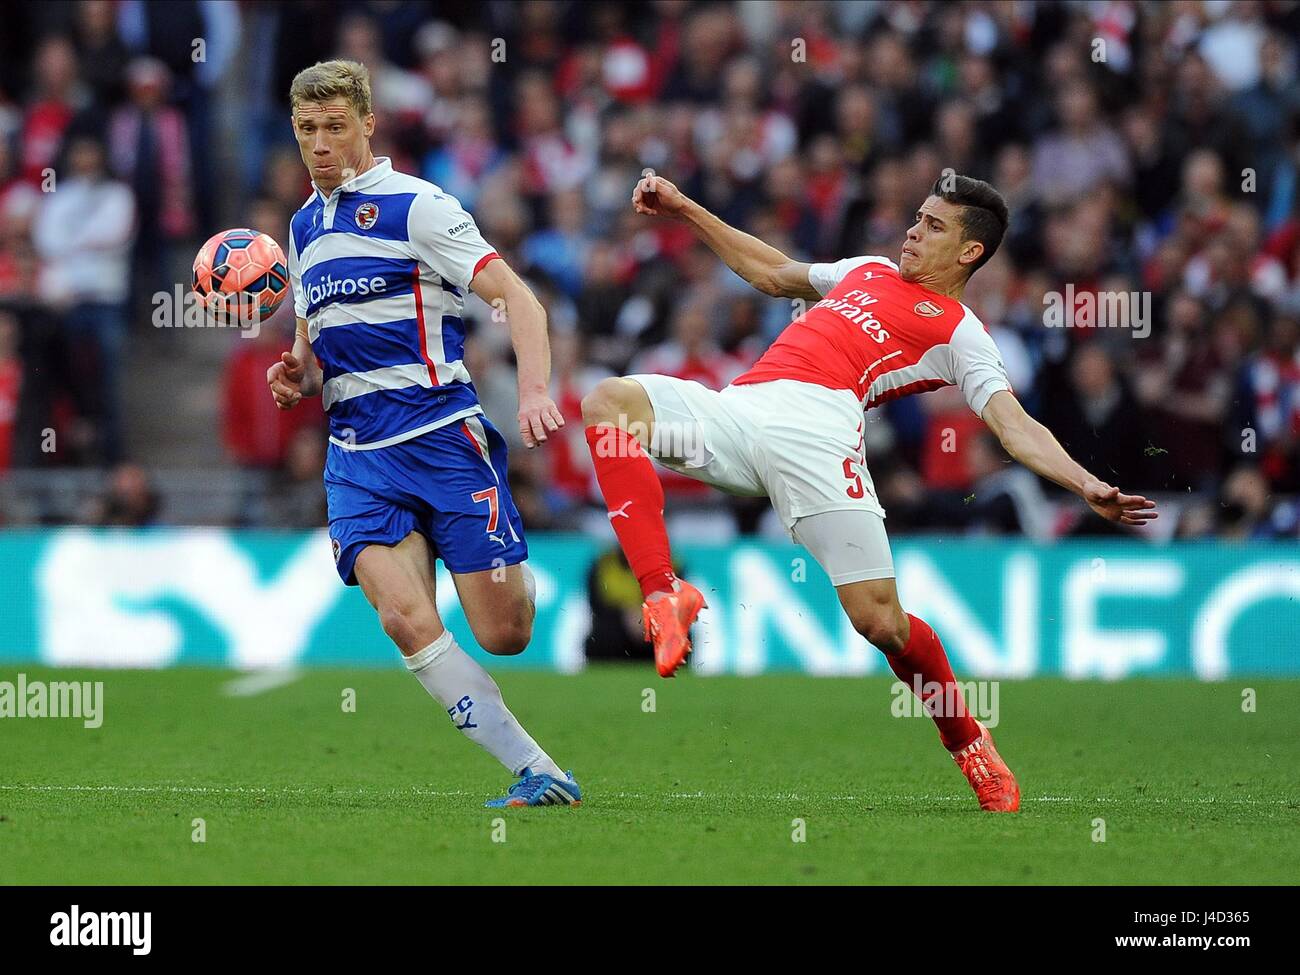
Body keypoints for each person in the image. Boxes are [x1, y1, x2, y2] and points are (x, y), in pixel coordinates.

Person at [581, 171, 1159, 812]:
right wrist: (685, 207)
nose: (914, 230)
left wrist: (1082, 482)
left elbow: (1013, 425)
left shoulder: (960, 333)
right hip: (740, 412)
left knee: (880, 623)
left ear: (970, 252)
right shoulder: (866, 270)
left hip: (821, 440)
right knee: (608, 403)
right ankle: (663, 590)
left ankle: (968, 741)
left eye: (934, 226)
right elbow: (773, 273)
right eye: (917, 217)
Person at [266, 60, 580, 808]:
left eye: (335, 126)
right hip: (357, 457)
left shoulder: (419, 206)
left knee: (504, 631)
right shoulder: (303, 227)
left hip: (441, 437)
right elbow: (312, 354)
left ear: (369, 125)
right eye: (307, 129)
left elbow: (519, 297)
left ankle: (507, 568)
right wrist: (296, 377)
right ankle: (538, 770)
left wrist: (534, 389)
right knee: (403, 617)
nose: (320, 144)